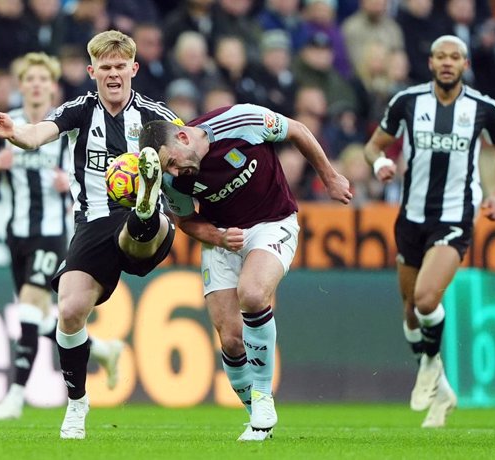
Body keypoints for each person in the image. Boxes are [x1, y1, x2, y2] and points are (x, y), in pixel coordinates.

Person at [0, 30, 180, 440]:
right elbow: (38, 134)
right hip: (92, 224)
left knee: (139, 226)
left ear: (134, 68)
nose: (113, 74)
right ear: (92, 71)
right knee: (70, 310)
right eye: (105, 68)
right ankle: (77, 404)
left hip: (149, 227)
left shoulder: (155, 116)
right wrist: (15, 131)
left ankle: (144, 205)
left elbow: (191, 155)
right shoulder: (79, 110)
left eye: (120, 66)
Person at [138, 104, 352, 441]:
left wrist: (329, 176)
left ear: (182, 137)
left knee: (252, 294)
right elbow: (185, 221)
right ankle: (257, 421)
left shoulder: (241, 121)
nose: (175, 173)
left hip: (273, 222)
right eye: (168, 169)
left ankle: (264, 397)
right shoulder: (171, 179)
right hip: (224, 238)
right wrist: (218, 236)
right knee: (231, 339)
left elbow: (296, 128)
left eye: (173, 163)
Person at [363, 35, 495, 428]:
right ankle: (443, 389)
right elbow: (372, 146)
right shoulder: (407, 102)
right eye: (440, 56)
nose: (448, 62)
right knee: (410, 312)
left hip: (455, 216)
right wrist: (380, 162)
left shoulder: (484, 108)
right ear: (430, 62)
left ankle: (430, 366)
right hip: (411, 216)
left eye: (455, 57)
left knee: (426, 299)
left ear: (465, 64)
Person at [0, 52, 124, 421]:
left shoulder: (67, 124)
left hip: (53, 232)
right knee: (37, 317)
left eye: (44, 78)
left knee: (29, 307)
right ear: (22, 85)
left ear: (52, 86)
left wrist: (67, 184)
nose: (37, 84)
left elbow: (93, 170)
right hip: (17, 233)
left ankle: (14, 397)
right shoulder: (7, 123)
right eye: (31, 79)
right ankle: (102, 350)